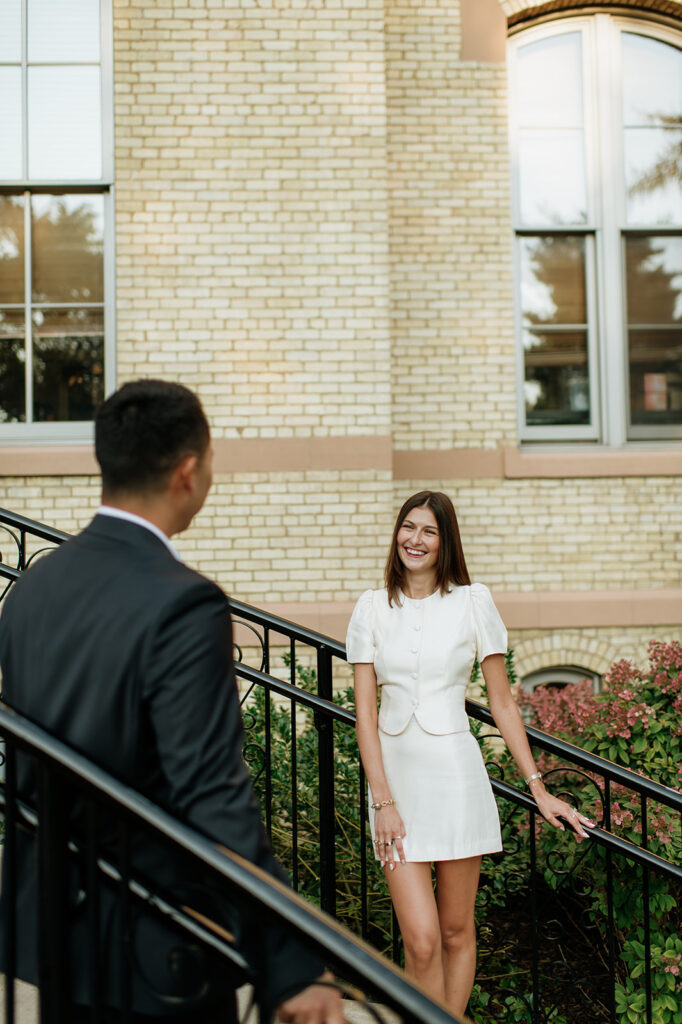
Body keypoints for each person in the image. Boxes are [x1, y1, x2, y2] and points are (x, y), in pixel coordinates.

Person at [0, 379, 343, 1024]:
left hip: (54, 939)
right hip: (158, 950)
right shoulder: (184, 603)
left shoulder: (32, 585)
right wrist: (291, 959)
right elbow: (211, 792)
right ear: (188, 471)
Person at [346, 490, 595, 1016]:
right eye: (408, 527)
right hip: (396, 792)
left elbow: (502, 701)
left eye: (429, 532)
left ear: (445, 542)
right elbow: (364, 715)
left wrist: (538, 787)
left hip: (457, 781)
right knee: (421, 939)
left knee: (457, 931)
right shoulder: (370, 608)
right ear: (397, 534)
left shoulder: (472, 602)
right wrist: (382, 800)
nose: (415, 539)